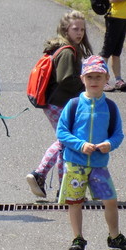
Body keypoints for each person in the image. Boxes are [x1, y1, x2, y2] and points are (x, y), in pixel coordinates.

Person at [56, 55, 126, 250]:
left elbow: (118, 134)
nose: (94, 81)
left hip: (99, 163)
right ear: (82, 79)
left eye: (98, 77)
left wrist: (109, 144)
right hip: (75, 163)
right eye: (90, 77)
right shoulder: (74, 104)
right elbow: (62, 132)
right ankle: (78, 238)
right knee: (75, 201)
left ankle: (114, 236)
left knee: (110, 199)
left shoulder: (110, 107)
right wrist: (80, 145)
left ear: (106, 79)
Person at [26, 10, 93, 199]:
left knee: (66, 143)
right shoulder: (67, 52)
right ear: (65, 29)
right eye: (75, 29)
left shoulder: (65, 49)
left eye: (82, 30)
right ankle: (49, 180)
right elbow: (65, 79)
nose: (79, 33)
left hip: (56, 103)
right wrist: (86, 85)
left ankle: (60, 187)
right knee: (66, 142)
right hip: (60, 104)